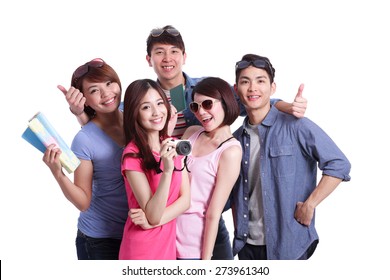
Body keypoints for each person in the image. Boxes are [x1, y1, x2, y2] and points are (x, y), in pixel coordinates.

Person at [63, 25, 307, 260]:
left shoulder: (204, 90)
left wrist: (284, 105)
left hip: (199, 209)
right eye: (159, 52)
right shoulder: (141, 99)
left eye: (174, 52)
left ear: (184, 56)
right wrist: (82, 114)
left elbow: (249, 99)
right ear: (149, 60)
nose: (167, 58)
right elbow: (110, 129)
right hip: (164, 211)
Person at [231, 54, 352, 260]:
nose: (253, 88)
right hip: (247, 245)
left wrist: (310, 204)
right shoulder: (235, 141)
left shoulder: (296, 126)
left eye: (260, 81)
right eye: (245, 81)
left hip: (289, 243)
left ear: (273, 87)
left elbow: (339, 164)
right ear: (236, 89)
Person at [42, 58, 129, 260]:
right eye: (94, 90)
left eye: (109, 83)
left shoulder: (133, 112)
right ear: (84, 100)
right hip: (101, 239)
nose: (106, 93)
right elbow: (83, 202)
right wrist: (58, 174)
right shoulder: (84, 140)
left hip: (136, 231)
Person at [119, 79, 191, 260]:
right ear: (134, 113)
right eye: (146, 107)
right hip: (142, 249)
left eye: (160, 103)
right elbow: (153, 214)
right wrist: (167, 172)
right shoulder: (132, 155)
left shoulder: (171, 144)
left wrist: (152, 223)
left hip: (166, 247)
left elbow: (186, 201)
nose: (156, 112)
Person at [175, 77, 242, 260]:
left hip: (194, 245)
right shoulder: (191, 133)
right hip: (168, 233)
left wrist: (205, 260)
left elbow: (213, 212)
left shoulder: (230, 152)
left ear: (226, 103)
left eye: (207, 104)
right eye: (195, 107)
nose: (201, 112)